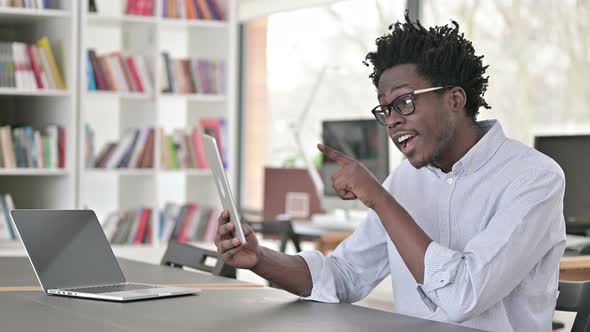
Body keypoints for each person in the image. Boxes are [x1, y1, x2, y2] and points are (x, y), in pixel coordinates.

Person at [214, 14, 565, 332]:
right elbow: (344, 276)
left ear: (455, 100)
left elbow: (462, 296)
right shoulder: (407, 180)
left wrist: (380, 198)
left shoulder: (534, 178)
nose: (393, 119)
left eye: (405, 102)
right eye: (384, 109)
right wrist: (259, 259)